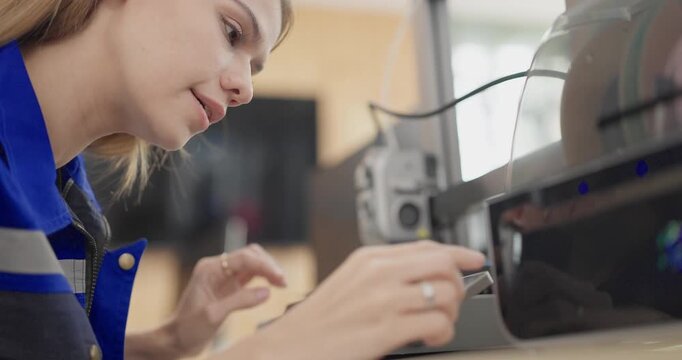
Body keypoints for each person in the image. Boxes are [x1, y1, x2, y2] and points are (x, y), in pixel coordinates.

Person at [0, 0, 486, 359]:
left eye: (254, 68)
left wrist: (168, 342)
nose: (246, 89)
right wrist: (285, 347)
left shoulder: (66, 192)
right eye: (232, 32)